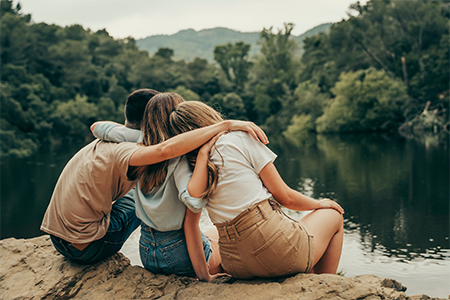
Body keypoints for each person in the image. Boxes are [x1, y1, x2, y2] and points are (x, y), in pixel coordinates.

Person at [40, 90, 268, 266]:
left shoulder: (114, 140)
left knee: (143, 186)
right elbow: (164, 151)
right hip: (86, 247)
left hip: (58, 239)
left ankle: (159, 244)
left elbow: (97, 126)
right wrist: (224, 125)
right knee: (148, 191)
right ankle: (178, 246)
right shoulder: (130, 151)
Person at [169, 101, 344, 279]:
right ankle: (323, 283)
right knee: (333, 214)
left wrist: (204, 276)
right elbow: (286, 198)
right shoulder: (237, 139)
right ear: (208, 116)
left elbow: (190, 223)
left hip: (236, 265)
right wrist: (319, 203)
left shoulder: (189, 166)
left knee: (214, 233)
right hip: (279, 252)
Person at [91, 93, 228, 281]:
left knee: (211, 233)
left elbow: (98, 128)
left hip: (147, 252)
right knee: (224, 239)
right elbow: (193, 206)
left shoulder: (138, 147)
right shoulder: (180, 159)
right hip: (177, 254)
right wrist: (205, 277)